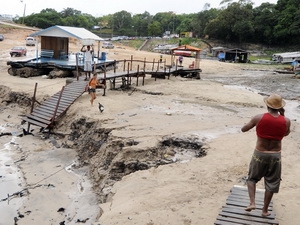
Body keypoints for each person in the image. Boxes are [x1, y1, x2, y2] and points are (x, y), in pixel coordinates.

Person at [241, 93, 291, 217]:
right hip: (275, 156)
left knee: (252, 179)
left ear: (267, 105)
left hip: (260, 153)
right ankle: (264, 210)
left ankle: (252, 202)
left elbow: (244, 129)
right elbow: (286, 134)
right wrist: (283, 116)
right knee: (272, 183)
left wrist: (254, 124)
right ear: (280, 107)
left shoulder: (258, 117)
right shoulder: (286, 121)